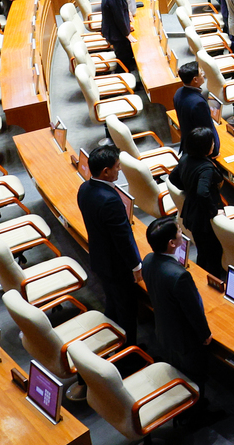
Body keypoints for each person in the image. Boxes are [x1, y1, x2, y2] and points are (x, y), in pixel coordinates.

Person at [141, 216, 215, 394]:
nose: (182, 234)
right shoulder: (179, 276)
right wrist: (205, 334)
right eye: (179, 232)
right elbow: (192, 310)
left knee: (179, 369)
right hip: (186, 340)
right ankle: (196, 412)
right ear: (172, 243)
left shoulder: (149, 260)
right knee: (195, 378)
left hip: (165, 332)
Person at [77, 145, 142, 346]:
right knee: (128, 310)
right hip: (117, 266)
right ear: (106, 171)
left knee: (113, 302)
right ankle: (129, 353)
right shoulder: (110, 201)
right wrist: (136, 266)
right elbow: (122, 238)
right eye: (117, 167)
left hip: (99, 258)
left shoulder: (85, 188)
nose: (119, 170)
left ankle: (111, 340)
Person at [169, 126, 225, 277]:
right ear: (206, 146)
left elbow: (173, 177)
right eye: (212, 142)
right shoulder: (205, 167)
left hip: (191, 213)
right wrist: (214, 211)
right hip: (204, 219)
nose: (214, 145)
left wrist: (188, 189)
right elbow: (202, 192)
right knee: (213, 254)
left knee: (202, 251)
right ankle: (213, 284)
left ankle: (200, 277)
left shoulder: (186, 157)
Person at [101, 0, 138, 82]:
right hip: (116, 33)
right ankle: (123, 79)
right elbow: (119, 18)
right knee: (124, 58)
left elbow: (121, 11)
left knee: (127, 54)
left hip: (114, 29)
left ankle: (128, 73)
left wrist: (128, 15)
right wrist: (127, 34)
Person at [173, 61, 217, 155]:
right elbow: (207, 130)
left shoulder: (178, 92)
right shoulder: (198, 103)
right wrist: (215, 151)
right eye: (201, 73)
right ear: (195, 79)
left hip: (187, 141)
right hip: (199, 148)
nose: (203, 75)